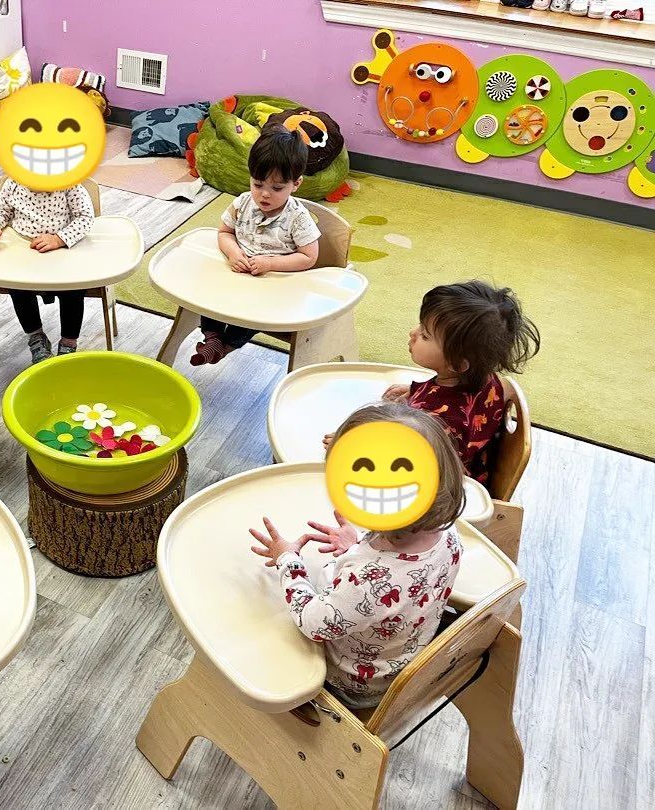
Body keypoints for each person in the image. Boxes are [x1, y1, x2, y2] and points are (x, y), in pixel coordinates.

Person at [251, 403, 465, 709]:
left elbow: (313, 623)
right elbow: (397, 583)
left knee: (259, 622)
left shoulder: (366, 580)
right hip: (401, 659)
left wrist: (289, 561)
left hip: (352, 686)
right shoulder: (449, 536)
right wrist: (358, 545)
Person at [326, 281, 540, 484]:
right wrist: (418, 391)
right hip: (472, 464)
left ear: (457, 363)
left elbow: (399, 459)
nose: (413, 333)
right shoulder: (486, 378)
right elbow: (458, 401)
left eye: (425, 335)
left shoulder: (433, 423)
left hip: (438, 488)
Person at [192, 127, 321, 366]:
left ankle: (227, 345)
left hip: (271, 286)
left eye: (277, 188)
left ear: (296, 184)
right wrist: (233, 252)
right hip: (236, 276)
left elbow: (308, 257)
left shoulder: (298, 218)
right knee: (207, 295)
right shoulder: (242, 203)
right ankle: (212, 337)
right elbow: (224, 232)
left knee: (252, 317)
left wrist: (271, 263)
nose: (264, 195)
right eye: (258, 184)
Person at [0, 177, 95, 363]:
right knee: (17, 288)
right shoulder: (15, 182)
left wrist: (59, 239)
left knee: (74, 290)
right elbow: (1, 210)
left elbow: (85, 217)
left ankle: (68, 342)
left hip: (62, 257)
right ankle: (36, 337)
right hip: (22, 254)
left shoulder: (69, 184)